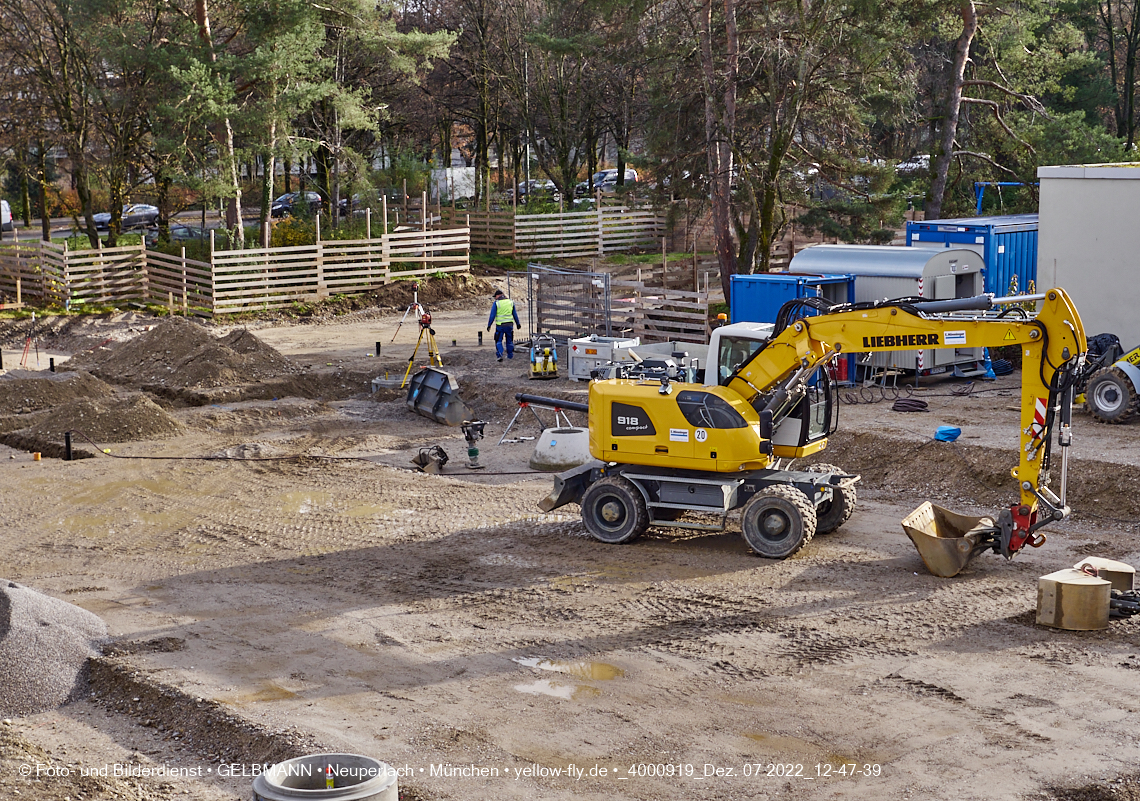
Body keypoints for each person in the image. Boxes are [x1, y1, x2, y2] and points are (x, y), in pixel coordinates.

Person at [487, 289, 522, 361]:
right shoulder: (510, 302)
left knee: (498, 340)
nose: (495, 298)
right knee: (509, 341)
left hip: (500, 326)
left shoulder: (497, 303)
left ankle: (500, 355)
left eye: (495, 296)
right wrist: (518, 323)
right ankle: (510, 355)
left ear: (498, 295)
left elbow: (492, 315)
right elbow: (514, 314)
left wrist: (489, 325)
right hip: (509, 325)